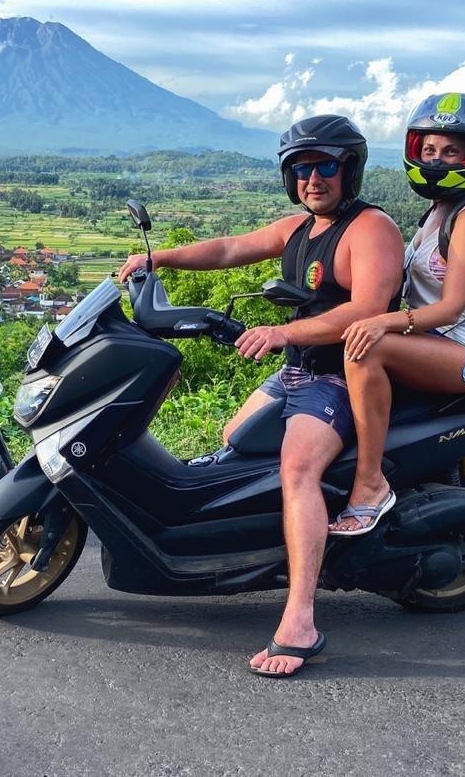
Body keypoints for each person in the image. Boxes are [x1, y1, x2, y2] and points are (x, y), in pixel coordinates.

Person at [118, 115, 403, 678]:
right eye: (300, 167)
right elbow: (229, 248)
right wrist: (158, 259)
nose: (312, 178)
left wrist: (282, 333)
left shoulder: (371, 229)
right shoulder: (300, 227)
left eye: (324, 166)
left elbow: (368, 309)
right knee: (235, 441)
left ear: (351, 170)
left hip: (338, 376)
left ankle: (300, 618)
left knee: (297, 469)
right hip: (296, 370)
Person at [335, 93, 465, 535]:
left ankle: (369, 484)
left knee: (365, 352)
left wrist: (383, 322)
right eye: (428, 150)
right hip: (436, 347)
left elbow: (453, 306)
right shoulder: (434, 214)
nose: (436, 160)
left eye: (451, 151)